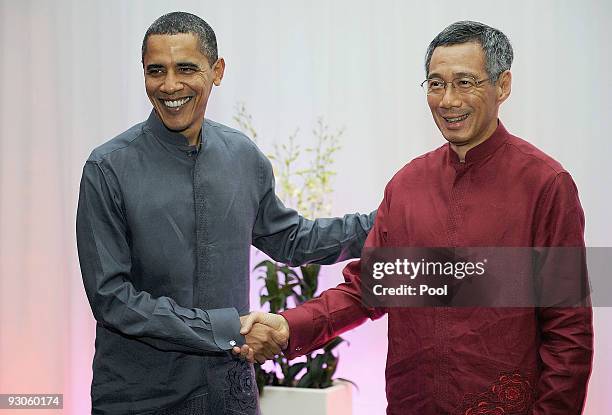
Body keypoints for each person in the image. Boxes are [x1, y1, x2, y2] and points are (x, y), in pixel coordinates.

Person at [241, 21, 593, 414]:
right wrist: (289, 326)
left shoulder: (545, 185)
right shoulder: (407, 185)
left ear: (503, 86)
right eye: (436, 84)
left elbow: (569, 333)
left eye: (465, 82)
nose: (448, 100)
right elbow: (369, 288)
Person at [76, 11, 374, 415]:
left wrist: (387, 220)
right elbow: (112, 298)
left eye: (185, 68)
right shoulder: (108, 168)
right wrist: (225, 328)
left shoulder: (241, 155)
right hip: (140, 397)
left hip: (229, 393)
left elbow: (290, 239)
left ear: (217, 71)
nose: (169, 85)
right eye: (155, 71)